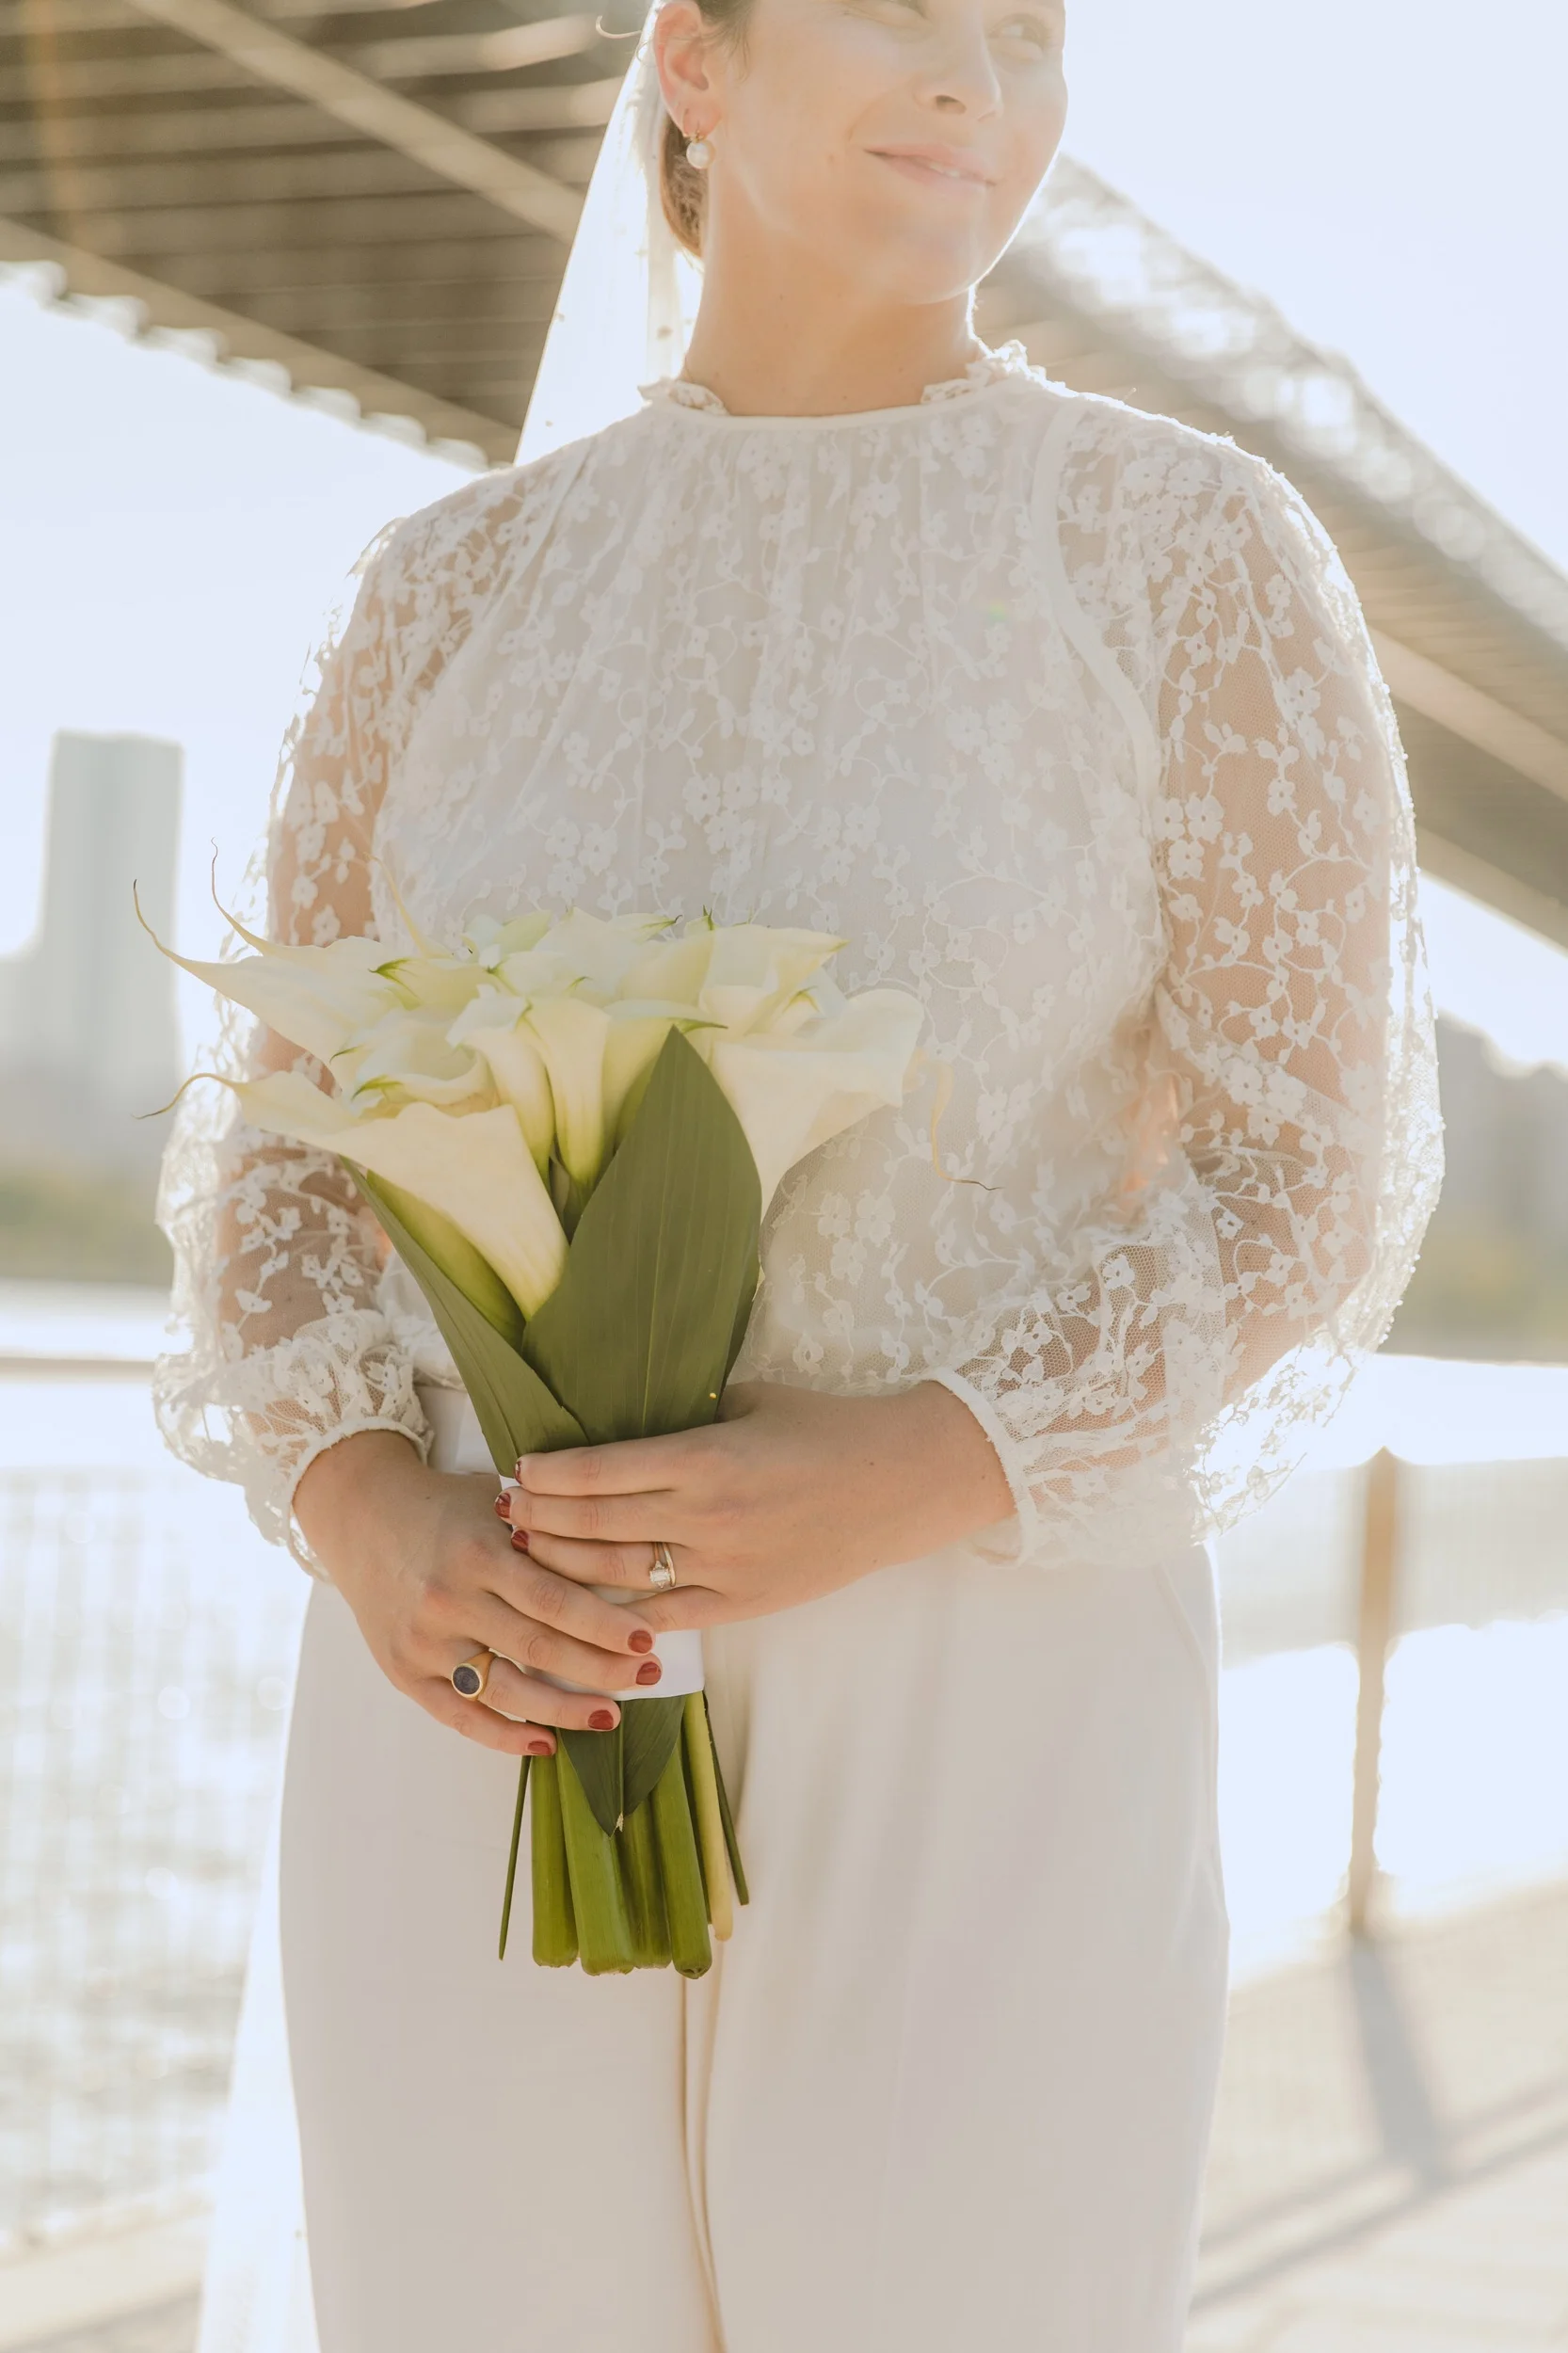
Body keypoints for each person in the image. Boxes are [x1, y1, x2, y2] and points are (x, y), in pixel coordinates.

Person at [157, 0, 1441, 2345]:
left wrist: (930, 1456)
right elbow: (278, 1151)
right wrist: (366, 1507)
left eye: (1030, 32)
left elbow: (1302, 1167)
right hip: (484, 1675)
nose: (977, 78)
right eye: (904, 8)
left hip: (985, 1671)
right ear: (695, 63)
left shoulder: (1179, 552)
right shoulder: (439, 592)